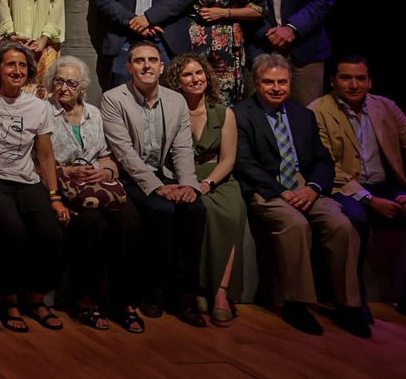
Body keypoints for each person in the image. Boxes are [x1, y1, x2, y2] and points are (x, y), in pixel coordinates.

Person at [233, 54, 367, 336]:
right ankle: (297, 303)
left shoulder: (303, 115)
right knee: (296, 224)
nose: (276, 88)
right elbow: (244, 163)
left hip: (306, 188)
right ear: (257, 83)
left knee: (341, 225)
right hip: (268, 190)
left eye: (282, 82)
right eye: (269, 82)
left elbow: (323, 160)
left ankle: (349, 305)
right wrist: (282, 192)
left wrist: (313, 188)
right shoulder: (241, 115)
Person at [312, 56, 406, 329]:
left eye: (360, 78)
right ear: (332, 81)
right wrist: (369, 200)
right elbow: (326, 164)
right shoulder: (318, 109)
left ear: (370, 81)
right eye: (346, 78)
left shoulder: (385, 107)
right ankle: (352, 304)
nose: (353, 84)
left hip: (385, 185)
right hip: (344, 187)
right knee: (354, 220)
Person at [100, 42, 208, 327]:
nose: (146, 65)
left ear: (162, 67)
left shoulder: (176, 100)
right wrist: (157, 187)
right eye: (139, 61)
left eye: (152, 60)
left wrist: (188, 185)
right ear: (129, 66)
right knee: (162, 211)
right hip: (132, 177)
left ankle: (185, 294)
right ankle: (154, 290)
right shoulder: (114, 98)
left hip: (167, 174)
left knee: (196, 209)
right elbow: (124, 153)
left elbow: (183, 149)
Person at [0, 42, 69, 333]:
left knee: (52, 232)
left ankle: (37, 300)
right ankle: (8, 300)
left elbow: (46, 155)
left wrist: (55, 196)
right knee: (13, 231)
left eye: (22, 65)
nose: (16, 70)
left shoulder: (38, 107)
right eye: (10, 65)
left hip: (26, 179)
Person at [44, 56, 141, 332]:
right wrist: (66, 172)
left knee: (129, 222)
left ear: (81, 88)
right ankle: (85, 300)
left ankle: (123, 301)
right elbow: (38, 161)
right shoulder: (43, 112)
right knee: (91, 225)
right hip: (65, 187)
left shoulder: (94, 114)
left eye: (71, 83)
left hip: (99, 186)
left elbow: (107, 155)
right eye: (59, 81)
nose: (64, 88)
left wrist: (108, 172)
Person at [164, 53, 246, 326]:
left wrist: (208, 183)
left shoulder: (224, 113)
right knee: (201, 214)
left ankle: (221, 293)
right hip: (184, 176)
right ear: (177, 81)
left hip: (218, 178)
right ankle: (198, 290)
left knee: (230, 216)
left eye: (199, 73)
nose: (195, 79)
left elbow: (229, 159)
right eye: (187, 74)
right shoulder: (171, 111)